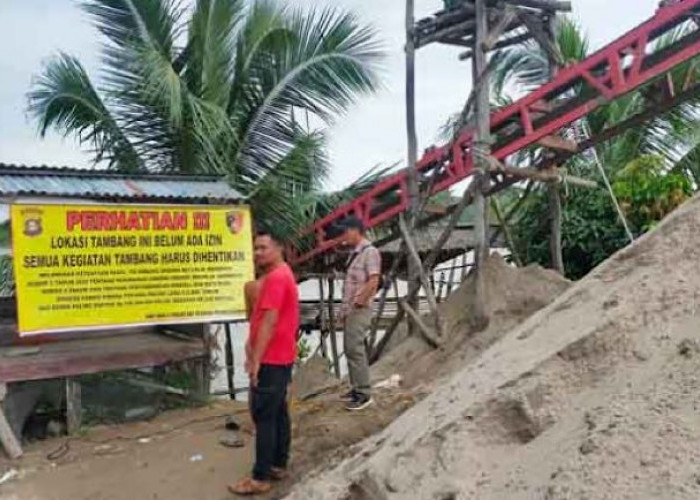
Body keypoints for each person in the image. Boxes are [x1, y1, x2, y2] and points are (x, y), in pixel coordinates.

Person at [229, 231, 299, 496]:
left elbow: (269, 321)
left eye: (263, 248)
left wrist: (255, 360)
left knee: (264, 416)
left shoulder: (277, 278)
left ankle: (260, 477)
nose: (258, 253)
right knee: (278, 411)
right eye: (255, 248)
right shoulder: (281, 275)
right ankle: (278, 464)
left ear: (279, 248)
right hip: (281, 355)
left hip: (271, 357)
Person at [340, 216, 381, 411]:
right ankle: (356, 388)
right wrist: (345, 310)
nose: (344, 236)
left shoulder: (369, 252)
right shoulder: (355, 253)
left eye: (346, 231)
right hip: (351, 310)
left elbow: (374, 280)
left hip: (360, 309)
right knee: (350, 349)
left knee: (355, 349)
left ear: (356, 230)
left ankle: (364, 393)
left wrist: (359, 302)